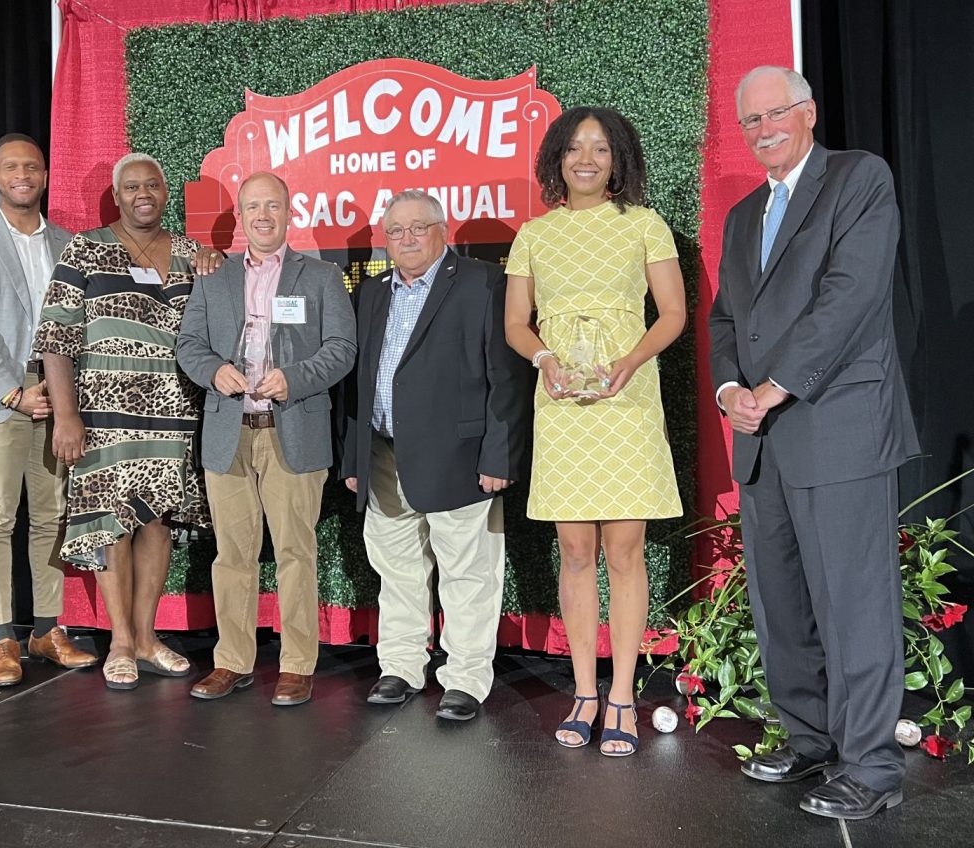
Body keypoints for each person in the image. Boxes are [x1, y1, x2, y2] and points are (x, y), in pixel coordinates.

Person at [709, 66, 918, 820]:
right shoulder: (741, 217)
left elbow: (850, 297)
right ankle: (809, 738)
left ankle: (871, 766)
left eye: (775, 115)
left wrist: (777, 386)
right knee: (781, 602)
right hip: (762, 440)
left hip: (837, 428)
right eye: (751, 122)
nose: (764, 131)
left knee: (854, 603)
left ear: (808, 113)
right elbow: (725, 319)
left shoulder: (858, 179)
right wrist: (732, 388)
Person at [505, 107, 686, 755]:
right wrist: (545, 360)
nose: (587, 158)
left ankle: (622, 697)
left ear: (618, 160)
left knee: (625, 551)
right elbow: (516, 324)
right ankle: (584, 692)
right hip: (561, 404)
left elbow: (672, 314)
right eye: (575, 148)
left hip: (626, 399)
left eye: (601, 149)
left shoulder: (644, 226)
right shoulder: (534, 235)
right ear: (556, 158)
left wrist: (630, 363)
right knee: (576, 551)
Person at [339, 190, 530, 721]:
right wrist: (354, 458)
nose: (406, 240)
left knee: (468, 572)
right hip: (382, 455)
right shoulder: (374, 292)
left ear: (443, 231)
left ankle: (466, 677)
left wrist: (500, 455)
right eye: (395, 231)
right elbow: (360, 380)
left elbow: (506, 378)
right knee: (396, 568)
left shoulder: (481, 283)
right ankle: (400, 666)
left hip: (461, 456)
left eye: (417, 228)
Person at [35, 152, 219, 691]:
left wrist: (216, 260)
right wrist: (65, 415)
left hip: (173, 414)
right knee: (110, 523)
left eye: (153, 185)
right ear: (117, 197)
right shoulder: (86, 248)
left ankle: (145, 636)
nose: (143, 194)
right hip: (102, 416)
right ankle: (118, 640)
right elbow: (56, 336)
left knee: (156, 522)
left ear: (165, 193)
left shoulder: (190, 252)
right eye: (132, 187)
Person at [177, 171, 356, 707]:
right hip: (229, 432)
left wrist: (295, 378)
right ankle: (232, 660)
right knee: (231, 554)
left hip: (292, 429)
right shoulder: (213, 279)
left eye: (272, 206)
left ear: (287, 212)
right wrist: (214, 372)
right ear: (240, 215)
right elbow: (189, 343)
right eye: (252, 206)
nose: (262, 215)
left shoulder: (321, 276)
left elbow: (342, 347)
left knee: (296, 552)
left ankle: (298, 663)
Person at [0, 133, 96, 686]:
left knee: (51, 515)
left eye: (31, 166)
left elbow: (83, 323)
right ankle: (2, 636)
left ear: (45, 175)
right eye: (11, 166)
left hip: (58, 392)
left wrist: (60, 393)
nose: (22, 174)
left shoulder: (69, 243)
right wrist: (14, 392)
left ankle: (47, 629)